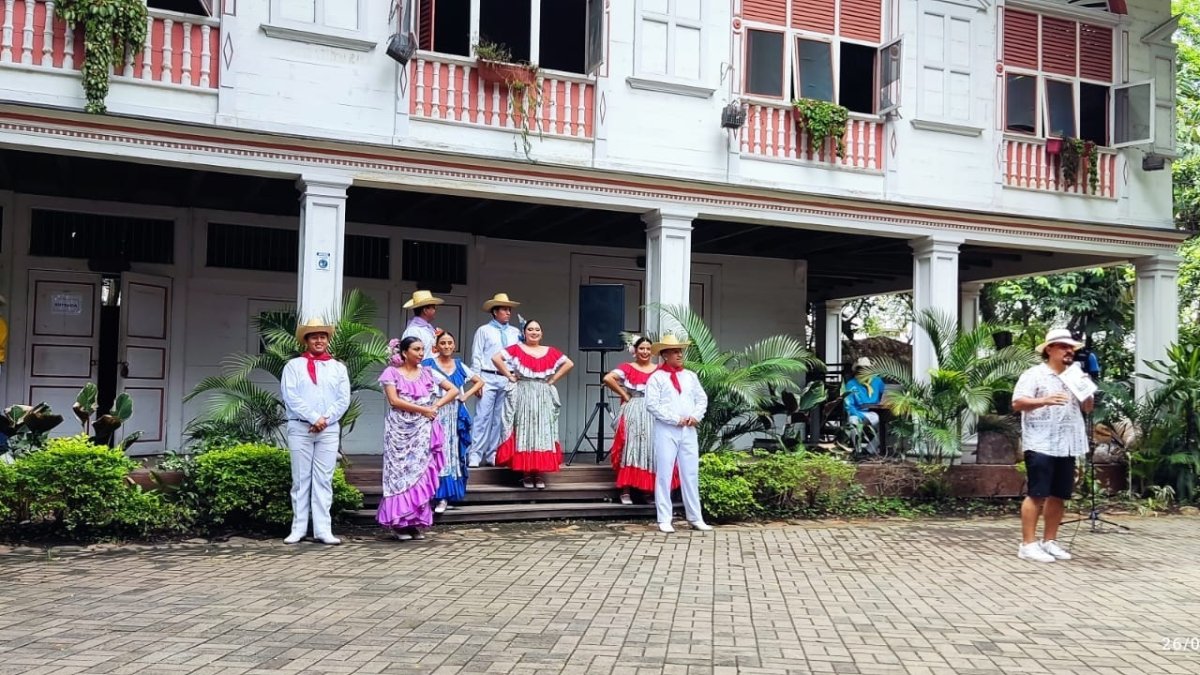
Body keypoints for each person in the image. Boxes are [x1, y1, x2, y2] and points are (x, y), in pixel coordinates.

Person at [1012, 328, 1093, 563]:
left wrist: (1087, 393)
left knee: (1059, 494)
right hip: (1041, 442)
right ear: (1050, 349)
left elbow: (1087, 409)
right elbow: (1017, 402)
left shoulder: (1076, 375)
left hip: (1067, 443)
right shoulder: (1034, 374)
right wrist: (1045, 400)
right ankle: (1027, 544)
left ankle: (1049, 541)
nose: (1069, 351)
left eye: (1071, 348)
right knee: (1037, 493)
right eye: (1064, 347)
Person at [377, 336, 459, 540]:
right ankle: (398, 521)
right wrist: (424, 409)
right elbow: (394, 401)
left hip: (422, 428)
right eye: (416, 349)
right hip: (399, 429)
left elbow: (454, 389)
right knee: (398, 472)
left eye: (423, 349)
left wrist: (436, 406)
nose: (421, 353)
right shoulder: (392, 372)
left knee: (419, 471)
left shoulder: (429, 372)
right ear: (404, 352)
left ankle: (413, 521)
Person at [280, 318, 351, 545]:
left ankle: (323, 529)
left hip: (328, 430)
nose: (319, 340)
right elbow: (290, 396)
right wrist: (313, 417)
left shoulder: (338, 367)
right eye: (314, 336)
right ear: (306, 340)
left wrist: (325, 419)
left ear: (327, 340)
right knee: (300, 479)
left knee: (324, 479)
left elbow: (343, 399)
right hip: (301, 427)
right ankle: (298, 529)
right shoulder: (293, 366)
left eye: (322, 336)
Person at [492, 319, 574, 489]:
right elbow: (496, 358)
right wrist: (509, 375)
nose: (534, 332)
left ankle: (539, 472)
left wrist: (553, 379)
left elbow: (569, 363)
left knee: (542, 430)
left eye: (537, 329)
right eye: (530, 329)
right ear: (524, 333)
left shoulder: (550, 351)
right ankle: (526, 473)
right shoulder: (517, 349)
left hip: (543, 392)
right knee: (525, 429)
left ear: (542, 333)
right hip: (524, 391)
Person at [645, 333, 711, 534]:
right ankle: (664, 518)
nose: (679, 354)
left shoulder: (690, 376)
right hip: (667, 429)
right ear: (665, 355)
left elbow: (702, 399)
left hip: (688, 429)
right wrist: (674, 418)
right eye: (675, 351)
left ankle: (695, 517)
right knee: (664, 473)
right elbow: (651, 404)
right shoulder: (657, 377)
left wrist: (695, 415)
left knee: (691, 473)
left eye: (680, 351)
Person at [603, 336, 676, 504]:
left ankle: (647, 491)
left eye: (648, 349)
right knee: (631, 447)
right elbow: (608, 378)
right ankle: (625, 490)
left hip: (653, 412)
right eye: (641, 348)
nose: (645, 352)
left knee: (651, 448)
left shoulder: (659, 370)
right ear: (635, 351)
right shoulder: (627, 368)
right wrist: (624, 395)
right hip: (634, 410)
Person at [422, 331, 484, 514]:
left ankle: (444, 495)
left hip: (455, 413)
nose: (447, 346)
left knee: (451, 453)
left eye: (450, 342)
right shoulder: (428, 364)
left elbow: (479, 381)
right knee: (433, 450)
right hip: (435, 411)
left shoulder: (459, 365)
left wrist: (465, 395)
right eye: (443, 343)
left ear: (454, 345)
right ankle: (429, 493)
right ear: (437, 346)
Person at [470, 293, 523, 467]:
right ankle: (475, 454)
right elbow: (477, 356)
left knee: (501, 418)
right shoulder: (484, 330)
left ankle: (493, 453)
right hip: (487, 375)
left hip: (507, 377)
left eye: (509, 309)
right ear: (495, 312)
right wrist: (476, 379)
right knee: (482, 416)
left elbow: (518, 355)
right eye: (504, 309)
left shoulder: (515, 332)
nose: (508, 312)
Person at [844, 357, 885, 454]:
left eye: (866, 368)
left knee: (887, 427)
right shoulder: (851, 384)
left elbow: (886, 396)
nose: (863, 370)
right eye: (860, 368)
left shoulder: (878, 381)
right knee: (853, 422)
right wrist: (860, 416)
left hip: (874, 414)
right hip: (857, 413)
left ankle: (869, 450)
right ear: (857, 370)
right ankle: (857, 451)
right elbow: (848, 405)